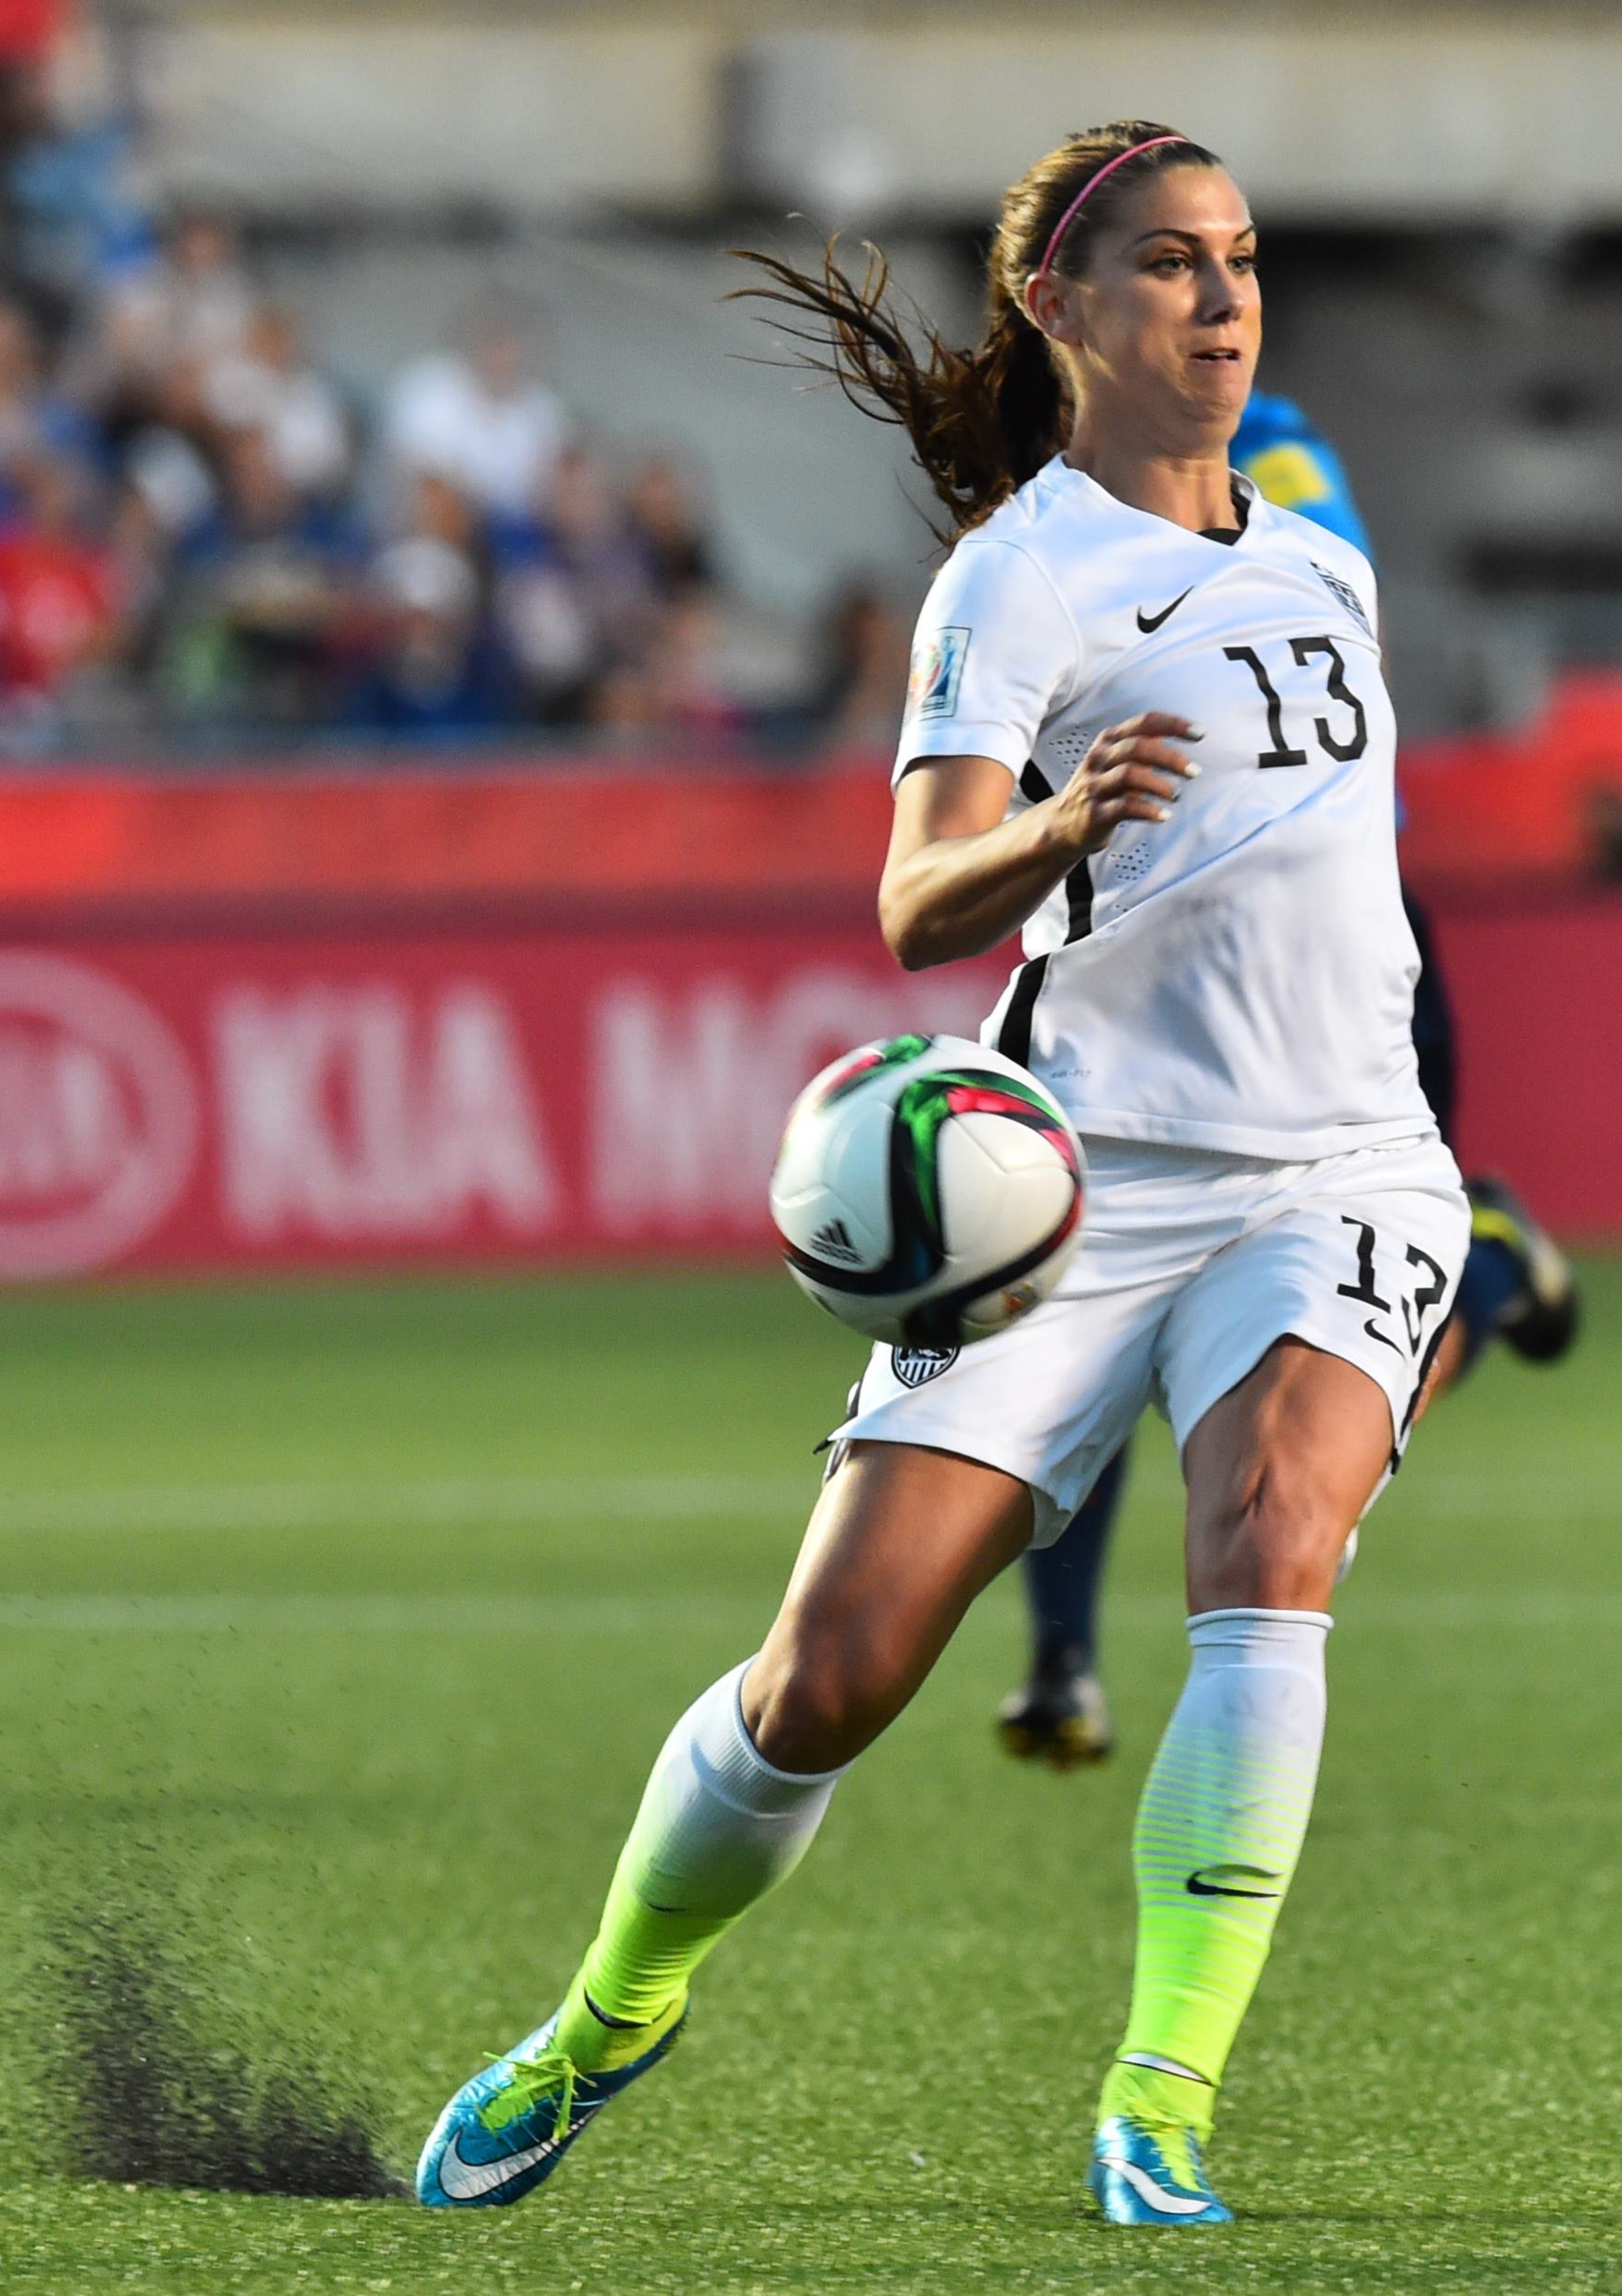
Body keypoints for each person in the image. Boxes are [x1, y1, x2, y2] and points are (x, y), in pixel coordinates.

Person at [416, 120, 1471, 2228]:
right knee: (833, 1674)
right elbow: (914, 899)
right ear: (1060, 311)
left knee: (1271, 1549)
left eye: (1240, 258)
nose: (1223, 297)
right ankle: (609, 2011)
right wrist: (1062, 825)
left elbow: (1345, 907)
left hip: (1339, 1166)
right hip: (1076, 1187)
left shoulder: (1324, 560)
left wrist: (1448, 1171)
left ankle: (1155, 2104)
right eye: (1170, 265)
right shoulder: (1012, 578)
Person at [998, 392, 1581, 1772]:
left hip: (1324, 951)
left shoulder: (1268, 453)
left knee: (1337, 1380)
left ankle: (1482, 1266)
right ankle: (1063, 1661)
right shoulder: (1048, 502)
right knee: (1074, 1303)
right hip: (1131, 972)